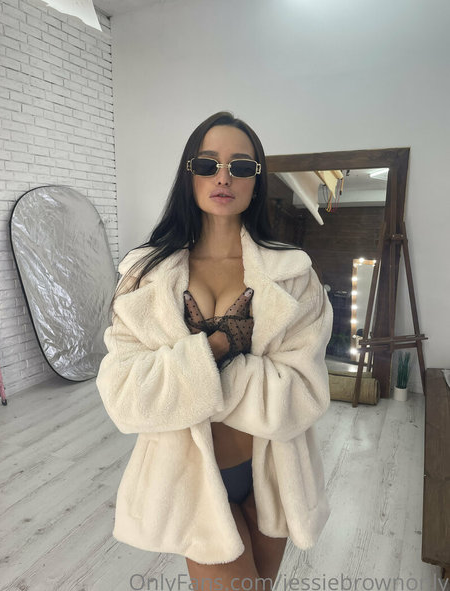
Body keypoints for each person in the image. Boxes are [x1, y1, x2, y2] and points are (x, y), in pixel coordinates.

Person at [96, 111, 333, 591]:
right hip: (191, 478)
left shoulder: (293, 275)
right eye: (208, 164)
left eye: (240, 167)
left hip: (273, 472)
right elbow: (124, 393)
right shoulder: (145, 275)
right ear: (190, 174)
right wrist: (222, 345)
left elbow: (305, 392)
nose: (223, 177)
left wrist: (195, 372)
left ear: (256, 180)